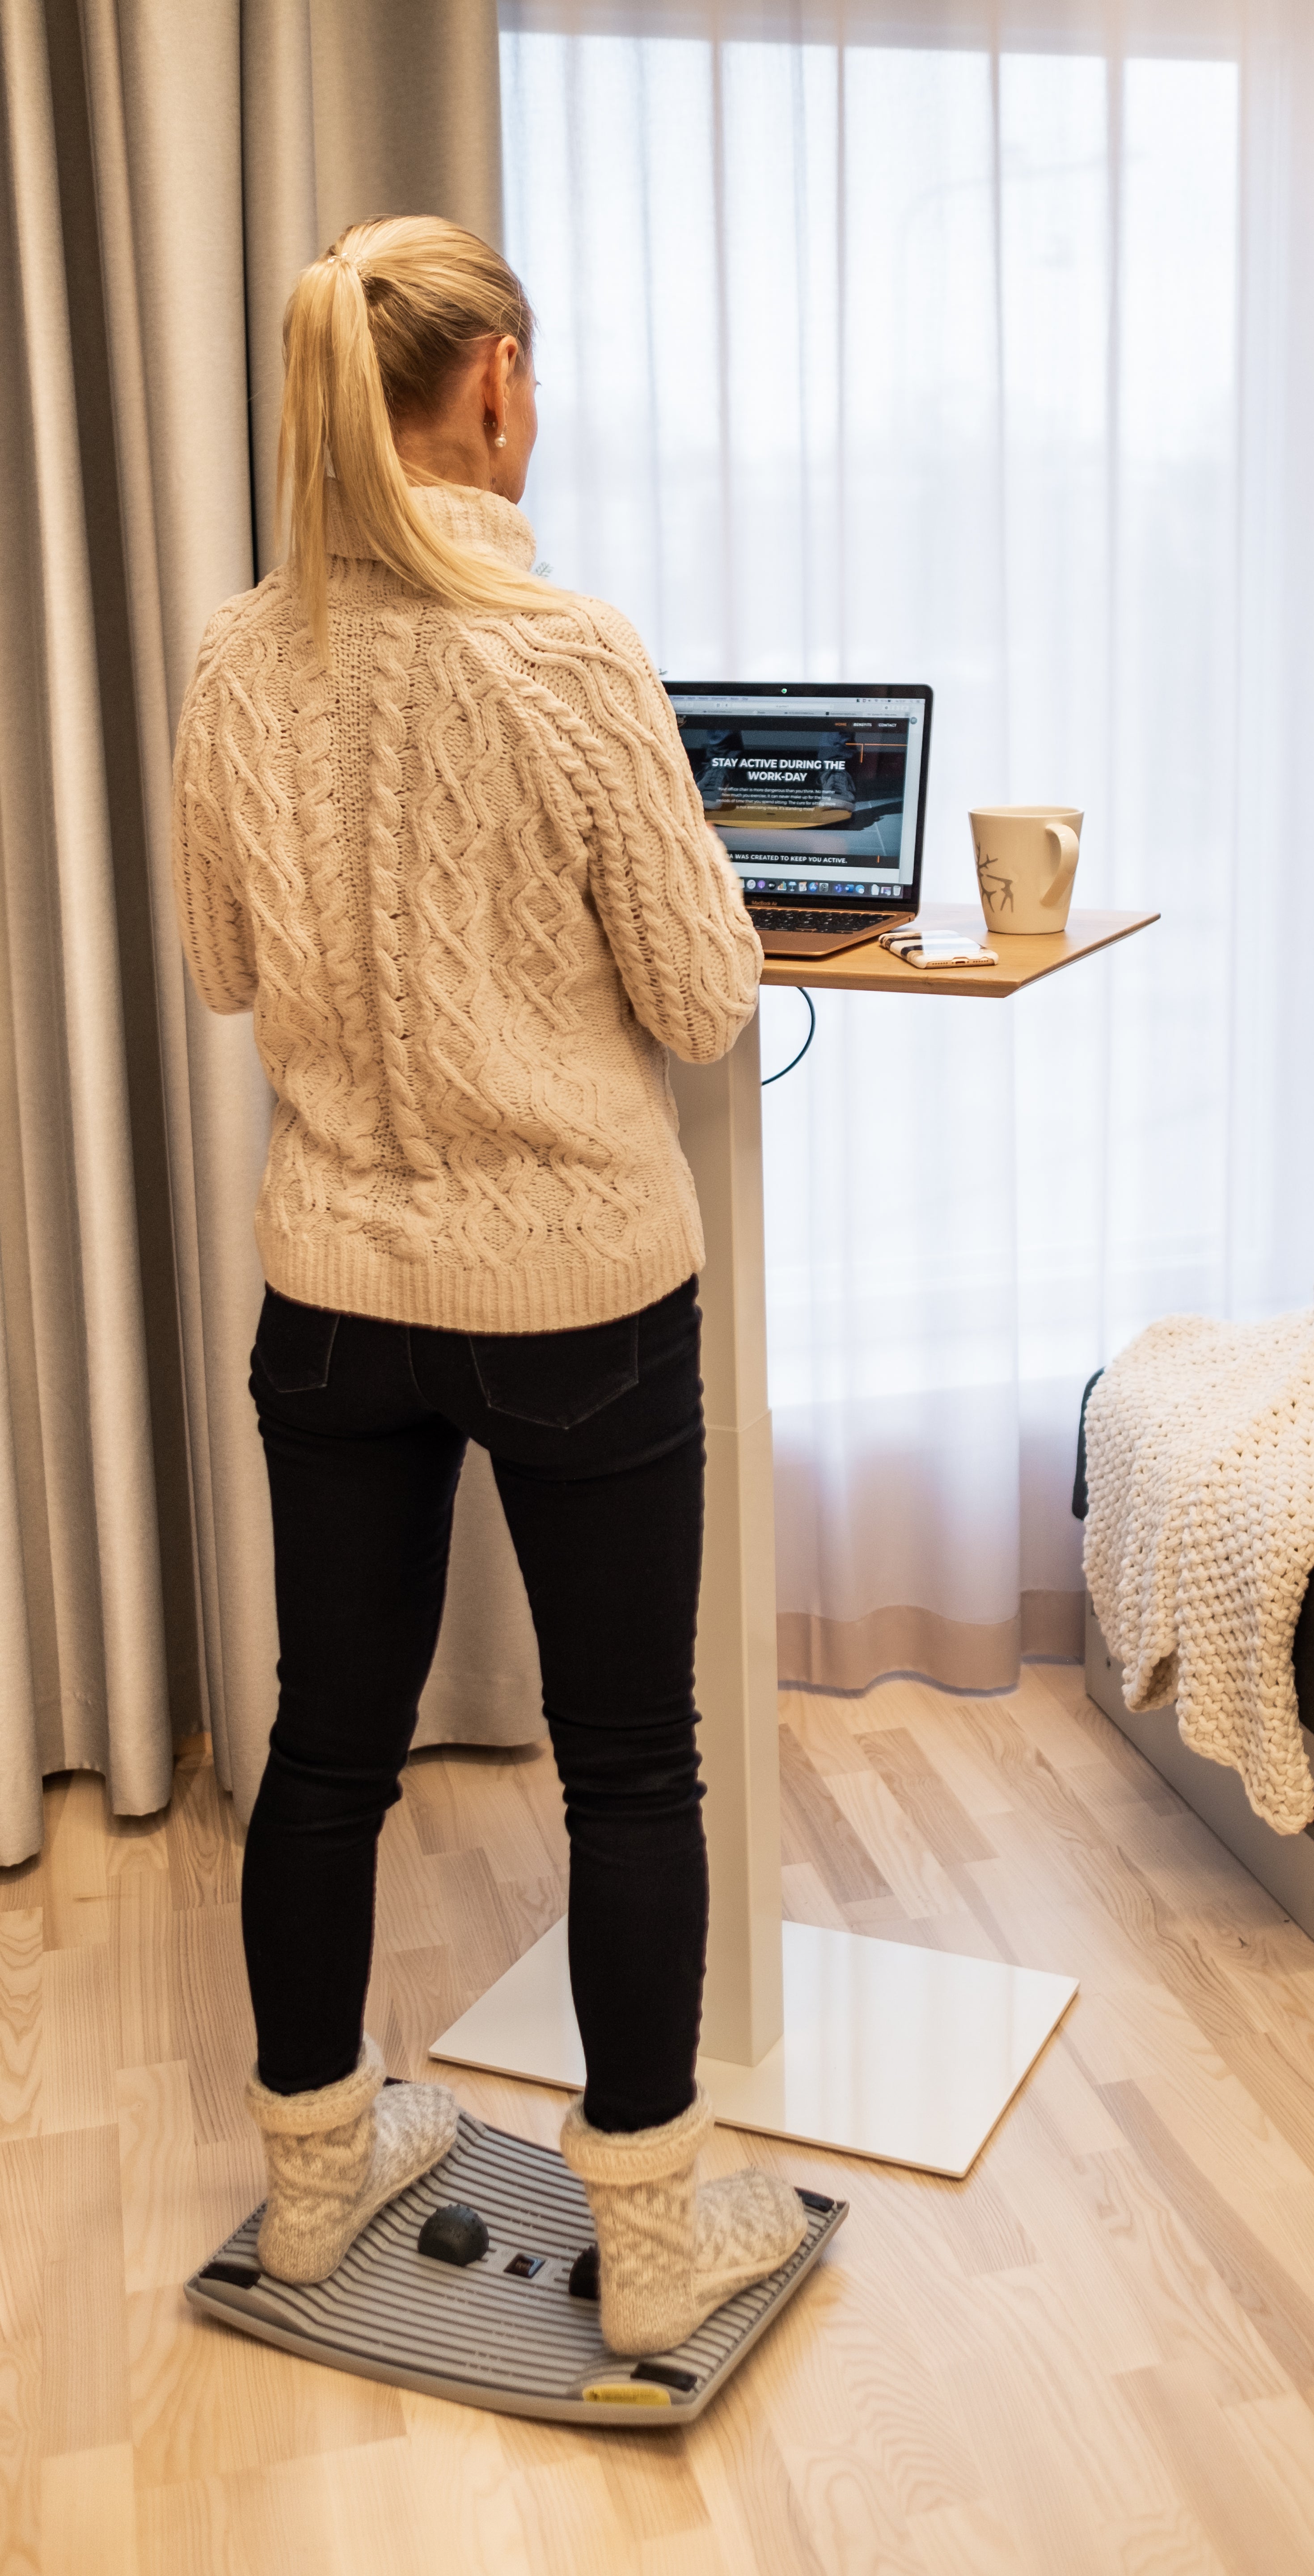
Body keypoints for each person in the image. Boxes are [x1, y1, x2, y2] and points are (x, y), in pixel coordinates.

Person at [171, 214, 807, 2358]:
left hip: (336, 1287)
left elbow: (229, 970)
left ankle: (319, 2182)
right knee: (630, 1767)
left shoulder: (235, 660)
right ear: (501, 383)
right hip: (580, 1294)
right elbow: (708, 997)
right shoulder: (569, 650)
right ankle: (648, 2248)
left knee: (324, 1751)